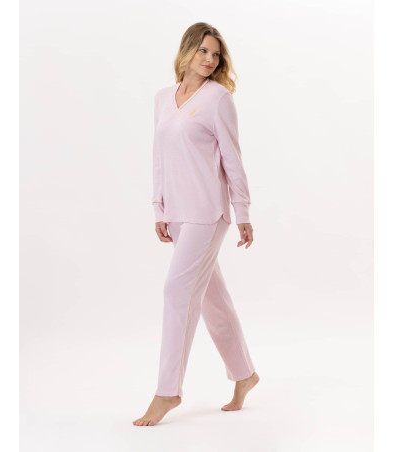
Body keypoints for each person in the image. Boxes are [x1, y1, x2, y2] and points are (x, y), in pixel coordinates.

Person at [133, 22, 259, 427]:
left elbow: (233, 158)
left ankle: (167, 391)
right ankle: (244, 374)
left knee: (177, 291)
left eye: (216, 54)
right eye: (203, 51)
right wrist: (159, 208)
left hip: (207, 213)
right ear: (187, 50)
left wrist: (242, 212)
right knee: (211, 299)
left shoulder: (218, 98)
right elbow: (159, 156)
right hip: (177, 214)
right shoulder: (162, 98)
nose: (209, 59)